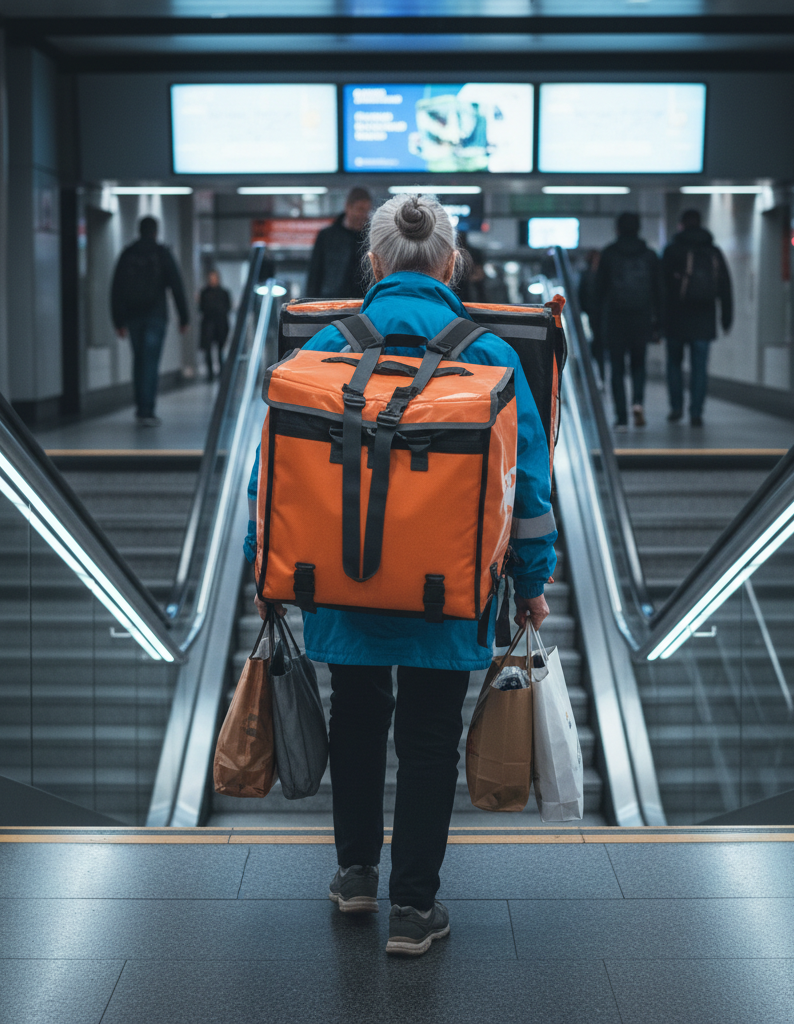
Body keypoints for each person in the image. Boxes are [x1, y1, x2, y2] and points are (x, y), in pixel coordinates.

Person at [244, 194, 557, 957]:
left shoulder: (321, 343)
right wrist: (531, 582)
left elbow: (271, 481)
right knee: (428, 737)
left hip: (340, 583)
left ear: (373, 263)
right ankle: (414, 910)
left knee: (356, 716)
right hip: (448, 594)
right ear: (451, 263)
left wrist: (269, 573)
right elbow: (530, 492)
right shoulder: (491, 355)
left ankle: (355, 876)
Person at [110, 216, 190, 426]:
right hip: (156, 315)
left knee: (139, 361)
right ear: (155, 231)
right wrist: (184, 317)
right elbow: (177, 286)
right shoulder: (162, 253)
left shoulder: (128, 254)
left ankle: (140, 408)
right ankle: (147, 410)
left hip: (133, 316)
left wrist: (118, 321)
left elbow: (116, 288)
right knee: (150, 363)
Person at [662, 209, 733, 426]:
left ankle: (676, 408)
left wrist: (658, 318)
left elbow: (661, 286)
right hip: (705, 318)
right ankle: (696, 412)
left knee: (674, 364)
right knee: (699, 367)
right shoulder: (713, 251)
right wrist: (726, 317)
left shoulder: (673, 250)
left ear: (681, 225)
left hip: (676, 317)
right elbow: (725, 286)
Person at [593, 213, 662, 430]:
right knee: (639, 365)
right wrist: (659, 323)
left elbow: (598, 292)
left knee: (617, 368)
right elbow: (660, 291)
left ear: (618, 229)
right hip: (641, 318)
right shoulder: (650, 255)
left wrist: (596, 324)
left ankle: (621, 416)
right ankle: (638, 404)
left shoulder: (609, 254)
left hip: (615, 319)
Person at [305, 187, 373, 298]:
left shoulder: (371, 237)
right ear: (348, 207)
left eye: (367, 211)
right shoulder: (327, 236)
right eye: (360, 209)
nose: (363, 215)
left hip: (363, 301)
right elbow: (315, 274)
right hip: (332, 301)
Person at [197, 269, 232, 382]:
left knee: (220, 349)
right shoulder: (204, 292)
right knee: (208, 350)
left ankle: (222, 371)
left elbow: (227, 307)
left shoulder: (224, 293)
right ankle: (210, 373)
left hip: (220, 324)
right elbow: (201, 308)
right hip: (208, 324)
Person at [578, 248, 606, 381]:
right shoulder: (600, 275)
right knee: (598, 346)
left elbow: (581, 296)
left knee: (596, 345)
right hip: (600, 315)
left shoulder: (586, 275)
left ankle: (598, 375)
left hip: (593, 314)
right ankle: (600, 375)